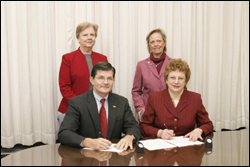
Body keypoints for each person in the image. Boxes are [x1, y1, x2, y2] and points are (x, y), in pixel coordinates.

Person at [58, 62, 141, 151]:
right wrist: (87, 142)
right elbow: (64, 133)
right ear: (92, 80)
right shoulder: (77, 103)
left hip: (114, 157)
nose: (105, 82)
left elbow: (134, 127)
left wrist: (129, 136)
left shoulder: (121, 102)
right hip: (86, 158)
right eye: (101, 78)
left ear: (113, 81)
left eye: (109, 78)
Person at [140, 58, 213, 141]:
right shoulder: (154, 98)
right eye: (172, 78)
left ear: (186, 81)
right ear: (166, 80)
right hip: (161, 148)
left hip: (187, 148)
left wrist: (199, 130)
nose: (176, 82)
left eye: (181, 78)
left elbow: (208, 124)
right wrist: (160, 133)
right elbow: (144, 127)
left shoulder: (195, 98)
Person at [58, 22, 108, 114]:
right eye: (85, 35)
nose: (89, 37)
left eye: (92, 35)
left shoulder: (102, 58)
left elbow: (107, 83)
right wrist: (79, 105)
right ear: (78, 38)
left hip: (98, 108)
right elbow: (64, 87)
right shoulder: (68, 58)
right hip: (73, 109)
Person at [132, 28, 171, 122]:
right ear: (149, 45)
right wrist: (140, 108)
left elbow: (182, 89)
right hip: (148, 113)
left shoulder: (173, 64)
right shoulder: (141, 65)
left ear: (164, 43)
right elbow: (136, 91)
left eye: (159, 41)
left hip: (170, 112)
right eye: (152, 42)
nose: (156, 44)